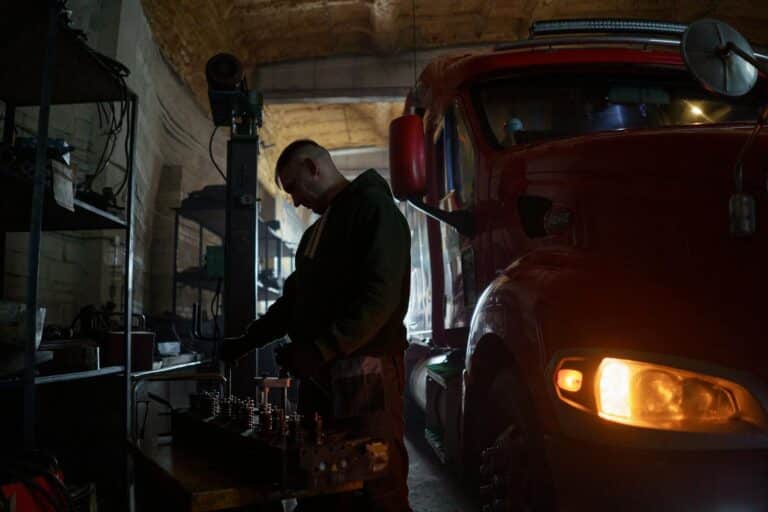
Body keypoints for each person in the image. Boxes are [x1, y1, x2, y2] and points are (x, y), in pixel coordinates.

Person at [221, 139, 412, 512]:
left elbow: (379, 298)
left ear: (313, 167)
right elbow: (292, 304)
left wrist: (321, 349)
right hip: (321, 377)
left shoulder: (374, 209)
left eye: (294, 188)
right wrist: (246, 342)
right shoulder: (316, 234)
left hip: (364, 374)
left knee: (377, 482)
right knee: (323, 481)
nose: (294, 201)